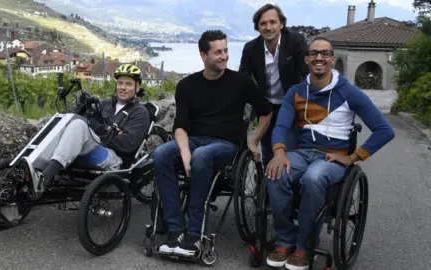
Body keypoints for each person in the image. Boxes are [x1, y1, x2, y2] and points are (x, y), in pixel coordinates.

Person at [264, 37, 395, 270]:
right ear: (306, 60)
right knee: (275, 172)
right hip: (302, 153)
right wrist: (279, 152)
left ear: (332, 59)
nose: (319, 58)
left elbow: (385, 130)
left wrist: (353, 157)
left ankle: (305, 248)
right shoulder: (296, 92)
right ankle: (285, 240)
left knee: (313, 178)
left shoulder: (349, 92)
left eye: (325, 53)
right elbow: (281, 126)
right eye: (314, 53)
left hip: (332, 157)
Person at [153, 30, 273, 257]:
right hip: (194, 141)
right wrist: (185, 152)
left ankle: (195, 235)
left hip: (226, 146)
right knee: (160, 155)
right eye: (218, 52)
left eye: (226, 51)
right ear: (203, 56)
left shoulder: (241, 82)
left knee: (203, 156)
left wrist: (255, 141)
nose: (224, 56)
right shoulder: (187, 85)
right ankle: (175, 230)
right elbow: (180, 126)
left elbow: (266, 111)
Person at [34, 64, 150, 197]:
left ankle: (45, 177)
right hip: (93, 148)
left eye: (129, 84)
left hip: (115, 159)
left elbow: (127, 144)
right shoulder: (105, 104)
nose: (123, 87)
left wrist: (98, 131)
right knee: (68, 122)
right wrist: (111, 131)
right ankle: (34, 168)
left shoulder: (140, 112)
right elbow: (89, 121)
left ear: (137, 87)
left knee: (78, 125)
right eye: (120, 83)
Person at [239, 3, 309, 166]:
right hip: (265, 108)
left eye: (272, 22)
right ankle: (266, 190)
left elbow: (307, 73)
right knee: (267, 155)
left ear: (281, 24)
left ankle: (288, 187)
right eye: (263, 23)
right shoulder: (250, 48)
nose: (268, 27)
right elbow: (244, 80)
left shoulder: (295, 41)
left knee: (287, 152)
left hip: (290, 104)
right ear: (257, 28)